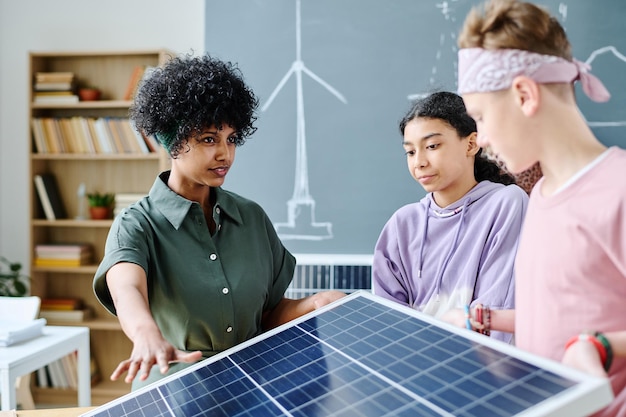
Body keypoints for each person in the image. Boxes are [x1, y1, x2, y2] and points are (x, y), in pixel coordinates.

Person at [92, 53, 345, 390]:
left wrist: (313, 304)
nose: (225, 153)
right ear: (174, 140)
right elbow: (126, 289)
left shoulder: (252, 218)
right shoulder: (136, 224)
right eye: (209, 139)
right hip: (174, 395)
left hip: (252, 389)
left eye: (231, 139)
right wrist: (145, 334)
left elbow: (268, 315)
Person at [457, 0, 626, 415]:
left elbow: (589, 338)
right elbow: (561, 316)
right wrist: (490, 319)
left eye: (479, 116)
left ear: (524, 94)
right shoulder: (542, 194)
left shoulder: (617, 191)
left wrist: (601, 347)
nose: (479, 138)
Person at [372, 91, 528, 343]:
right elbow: (388, 322)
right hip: (411, 365)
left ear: (471, 144)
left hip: (478, 365)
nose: (419, 162)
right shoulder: (402, 224)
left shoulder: (506, 203)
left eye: (432, 146)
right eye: (410, 152)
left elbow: (496, 306)